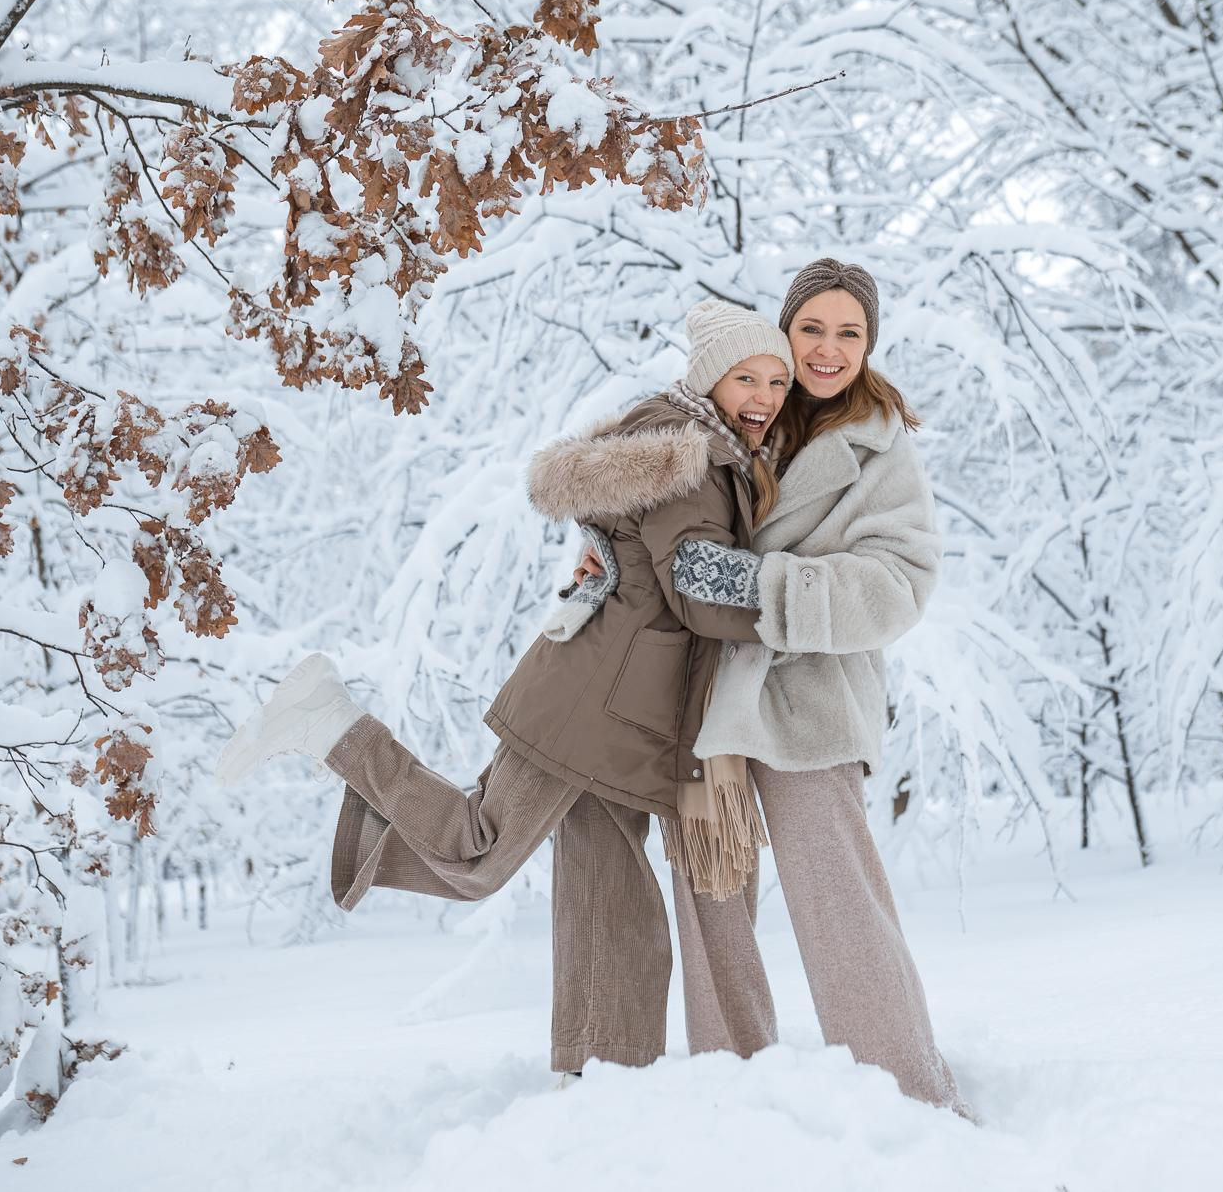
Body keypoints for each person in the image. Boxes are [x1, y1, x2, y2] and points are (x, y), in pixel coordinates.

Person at [216, 300, 791, 1079]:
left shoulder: (706, 454)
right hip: (589, 709)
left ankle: (601, 1073)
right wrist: (809, 594)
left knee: (610, 895)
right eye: (746, 376)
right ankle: (332, 723)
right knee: (479, 852)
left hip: (623, 717)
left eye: (777, 380)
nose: (764, 394)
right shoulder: (694, 463)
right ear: (707, 381)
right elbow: (698, 587)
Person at [580, 257, 971, 1117]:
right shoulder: (744, 413)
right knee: (710, 901)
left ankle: (913, 1097)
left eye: (850, 332)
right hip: (707, 698)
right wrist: (610, 546)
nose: (829, 349)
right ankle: (736, 1097)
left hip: (810, 698)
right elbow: (661, 500)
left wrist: (773, 591)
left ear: (870, 345)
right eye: (813, 329)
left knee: (840, 904)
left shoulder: (879, 445)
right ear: (785, 334)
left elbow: (902, 580)